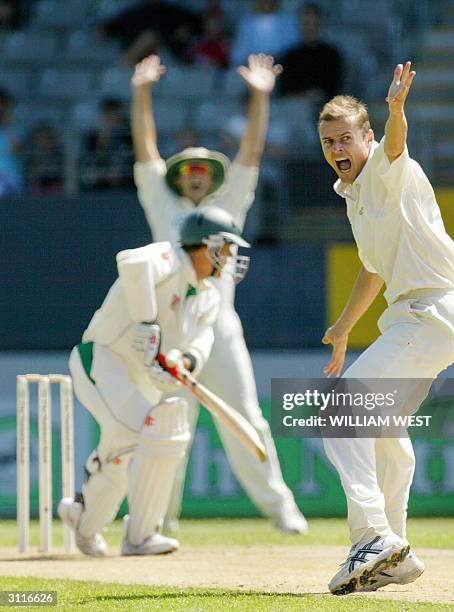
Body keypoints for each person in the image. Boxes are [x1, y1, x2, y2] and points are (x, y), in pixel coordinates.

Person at [131, 54, 307, 533]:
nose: (195, 175)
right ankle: (160, 522)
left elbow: (250, 155)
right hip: (170, 329)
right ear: (178, 177)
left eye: (204, 170)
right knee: (170, 426)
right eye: (187, 168)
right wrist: (141, 91)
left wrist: (261, 96)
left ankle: (281, 509)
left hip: (219, 328)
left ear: (212, 179)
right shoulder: (164, 205)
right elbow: (146, 153)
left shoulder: (228, 205)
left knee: (246, 419)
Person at [318, 62, 454, 594]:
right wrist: (342, 328)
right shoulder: (356, 197)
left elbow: (396, 148)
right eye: (328, 141)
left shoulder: (387, 168)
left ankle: (371, 536)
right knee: (385, 432)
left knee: (340, 410)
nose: (337, 148)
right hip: (420, 317)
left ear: (368, 139)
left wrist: (396, 111)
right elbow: (373, 269)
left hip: (428, 314)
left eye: (346, 138)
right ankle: (394, 555)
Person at [59, 206, 250, 556]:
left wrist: (183, 361)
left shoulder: (208, 296)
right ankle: (100, 523)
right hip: (102, 359)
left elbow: (201, 340)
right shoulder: (171, 258)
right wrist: (147, 322)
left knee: (166, 427)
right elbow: (132, 263)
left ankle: (128, 529)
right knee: (134, 433)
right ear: (204, 245)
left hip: (141, 379)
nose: (229, 257)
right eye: (225, 248)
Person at [279, 2, 342, 104]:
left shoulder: (332, 55)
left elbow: (334, 89)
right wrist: (303, 97)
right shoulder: (289, 56)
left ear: (320, 24)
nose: (310, 28)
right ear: (300, 25)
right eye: (307, 24)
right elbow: (283, 92)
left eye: (314, 24)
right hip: (294, 107)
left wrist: (316, 96)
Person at [82, 98, 134, 190]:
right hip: (96, 187)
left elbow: (130, 163)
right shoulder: (92, 139)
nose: (112, 118)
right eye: (108, 114)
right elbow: (88, 167)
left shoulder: (129, 137)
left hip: (125, 187)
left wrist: (118, 173)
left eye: (115, 114)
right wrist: (103, 140)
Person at [230, 0, 299, 67]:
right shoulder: (246, 22)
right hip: (253, 69)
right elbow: (238, 55)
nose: (266, 2)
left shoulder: (288, 20)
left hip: (282, 67)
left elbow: (293, 49)